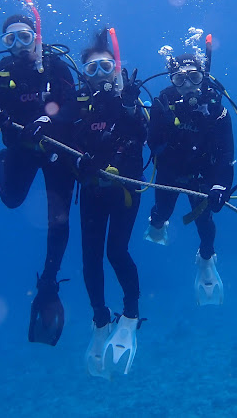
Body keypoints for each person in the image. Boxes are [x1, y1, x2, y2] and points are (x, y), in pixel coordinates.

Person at [0, 12, 78, 346]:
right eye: (11, 39)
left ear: (37, 36)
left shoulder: (56, 67)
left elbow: (74, 106)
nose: (19, 45)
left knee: (59, 219)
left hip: (57, 150)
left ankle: (49, 279)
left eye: (24, 36)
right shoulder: (1, 71)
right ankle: (1, 163)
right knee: (11, 199)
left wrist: (50, 121)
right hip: (20, 149)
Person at [73, 28, 147, 377]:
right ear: (84, 75)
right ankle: (100, 318)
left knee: (116, 252)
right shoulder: (78, 104)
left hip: (124, 190)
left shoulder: (127, 98)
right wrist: (80, 161)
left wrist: (131, 106)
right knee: (90, 259)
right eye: (92, 69)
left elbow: (145, 136)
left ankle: (130, 315)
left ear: (116, 69)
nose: (100, 74)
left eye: (106, 67)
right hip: (91, 190)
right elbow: (64, 137)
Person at [145, 53, 234, 305]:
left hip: (202, 178)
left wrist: (221, 185)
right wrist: (166, 125)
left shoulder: (216, 108)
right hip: (170, 173)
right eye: (180, 79)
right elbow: (153, 144)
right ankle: (157, 223)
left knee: (205, 225)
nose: (188, 85)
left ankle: (206, 259)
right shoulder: (163, 103)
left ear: (203, 77)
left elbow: (227, 153)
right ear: (172, 79)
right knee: (162, 213)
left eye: (194, 77)